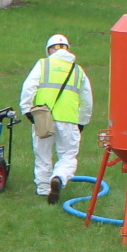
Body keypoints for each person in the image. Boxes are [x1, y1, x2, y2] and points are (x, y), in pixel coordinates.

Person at [19, 33, 93, 202]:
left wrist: (27, 111)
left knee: (42, 154)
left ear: (49, 49)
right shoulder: (77, 70)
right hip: (69, 119)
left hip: (43, 117)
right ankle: (59, 178)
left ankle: (44, 188)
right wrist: (83, 121)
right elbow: (87, 99)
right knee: (68, 155)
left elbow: (28, 88)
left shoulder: (43, 64)